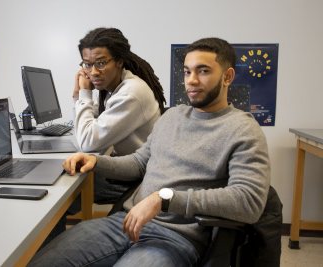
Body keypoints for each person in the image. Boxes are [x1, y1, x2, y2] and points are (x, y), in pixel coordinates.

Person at [29, 37, 270, 267]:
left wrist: (164, 199)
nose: (192, 80)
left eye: (203, 71)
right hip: (124, 223)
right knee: (39, 261)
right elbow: (139, 163)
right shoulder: (173, 116)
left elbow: (249, 201)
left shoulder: (243, 130)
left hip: (175, 238)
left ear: (227, 76)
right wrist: (95, 160)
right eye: (187, 71)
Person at [73, 27, 166, 204]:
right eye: (87, 64)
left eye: (100, 63)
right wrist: (78, 97)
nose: (93, 72)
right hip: (128, 170)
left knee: (66, 190)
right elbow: (85, 134)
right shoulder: (114, 88)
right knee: (69, 176)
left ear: (119, 61)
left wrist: (84, 95)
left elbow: (86, 143)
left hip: (140, 179)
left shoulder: (131, 93)